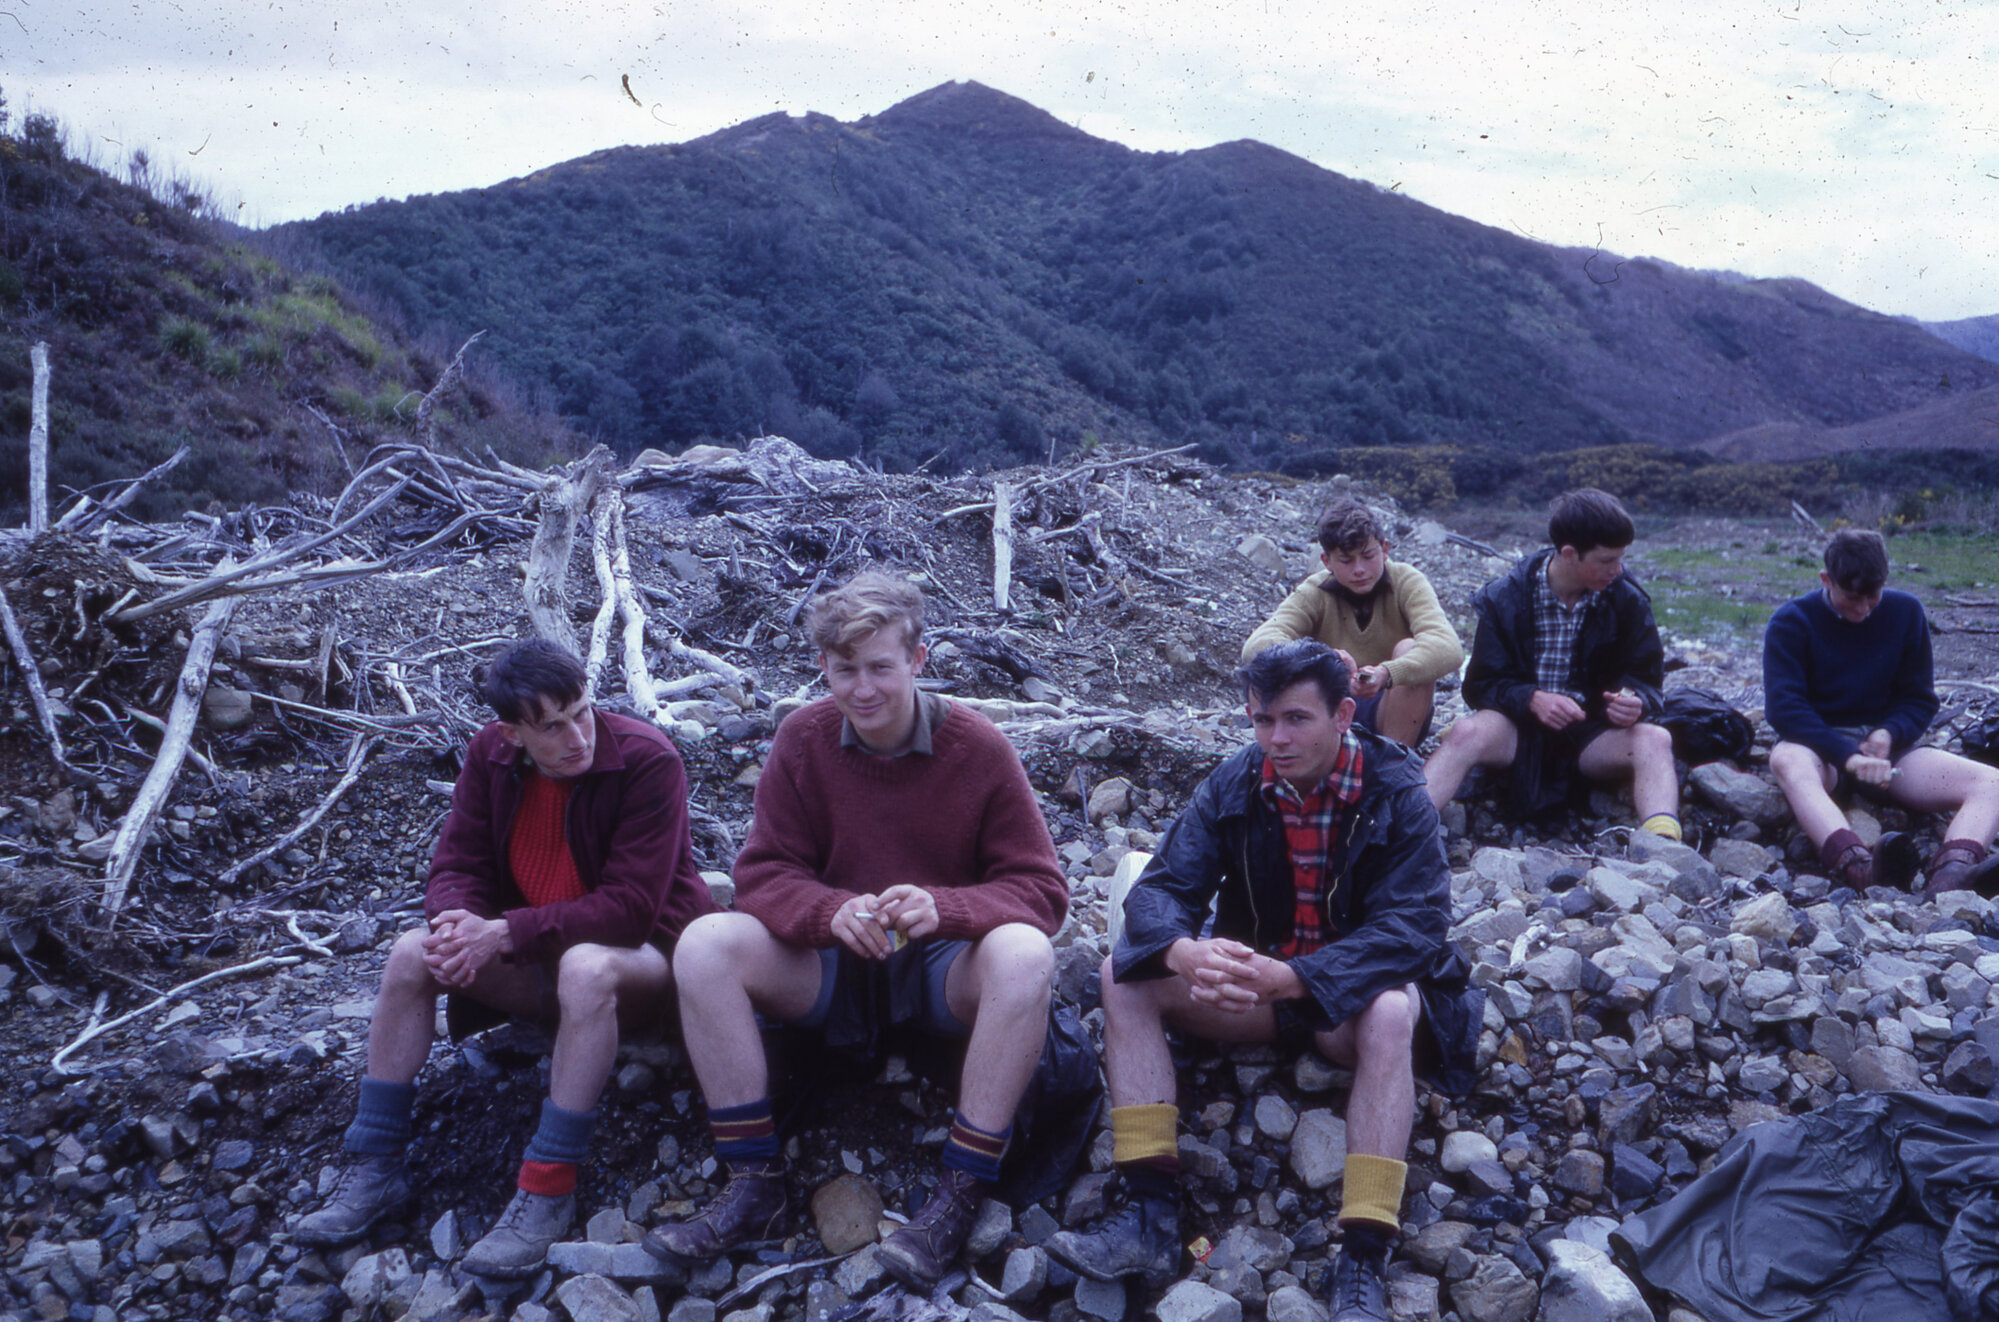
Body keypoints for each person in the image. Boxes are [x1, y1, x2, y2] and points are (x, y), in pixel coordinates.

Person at [646, 571, 1069, 1290]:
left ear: (917, 659)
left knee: (1025, 952)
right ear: (823, 666)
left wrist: (946, 908)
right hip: (831, 964)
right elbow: (762, 875)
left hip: (941, 969)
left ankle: (960, 1192)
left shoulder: (978, 746)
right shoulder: (803, 739)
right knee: (704, 943)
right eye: (845, 671)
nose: (863, 689)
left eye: (880, 668)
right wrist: (826, 911)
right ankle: (753, 1185)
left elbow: (1042, 891)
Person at [1043, 640, 1480, 1322]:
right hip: (1260, 990)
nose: (1276, 739)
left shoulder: (1397, 789)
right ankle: (1150, 1215)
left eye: (1296, 719)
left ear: (1342, 714)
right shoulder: (1236, 781)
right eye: (1262, 720)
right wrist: (1182, 951)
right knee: (1121, 976)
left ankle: (1364, 1251)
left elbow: (1415, 928)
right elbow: (1163, 887)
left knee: (1393, 1011)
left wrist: (1300, 976)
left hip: (1345, 1005)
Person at [290, 639, 717, 1277]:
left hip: (647, 963)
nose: (578, 737)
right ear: (513, 733)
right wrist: (456, 926)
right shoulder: (490, 756)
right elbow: (457, 865)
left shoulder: (646, 760)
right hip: (541, 956)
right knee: (411, 953)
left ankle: (548, 1186)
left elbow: (630, 909)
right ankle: (375, 1164)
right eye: (552, 726)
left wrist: (504, 933)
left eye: (582, 712)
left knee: (586, 967)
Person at [1421, 488, 1681, 837]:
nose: (1617, 570)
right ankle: (1405, 828)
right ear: (1570, 554)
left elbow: (1647, 680)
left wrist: (1636, 701)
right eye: (1606, 560)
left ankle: (1663, 842)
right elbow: (1480, 686)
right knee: (1466, 732)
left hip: (1591, 735)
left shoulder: (1627, 600)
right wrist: (1531, 699)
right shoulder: (1505, 598)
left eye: (1620, 558)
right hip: (1517, 730)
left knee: (1655, 740)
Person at [1764, 528, 1999, 893]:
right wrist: (1847, 756)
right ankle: (1859, 867)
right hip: (1820, 752)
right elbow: (1784, 709)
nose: (1862, 609)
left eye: (1872, 597)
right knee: (1786, 760)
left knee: (1991, 782)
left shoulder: (1906, 612)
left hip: (1891, 756)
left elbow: (1918, 698)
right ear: (1826, 580)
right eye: (1851, 597)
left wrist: (1889, 732)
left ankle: (1953, 873)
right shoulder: (1791, 621)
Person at [1241, 499, 1463, 746]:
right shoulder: (1315, 590)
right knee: (1279, 662)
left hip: (1396, 710)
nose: (1359, 569)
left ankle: (1394, 759)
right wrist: (1325, 659)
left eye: (1368, 556)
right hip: (1330, 710)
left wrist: (1387, 673)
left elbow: (1448, 647)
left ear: (1384, 549)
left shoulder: (1407, 581)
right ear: (1327, 561)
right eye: (1346, 561)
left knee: (1409, 648)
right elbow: (1257, 645)